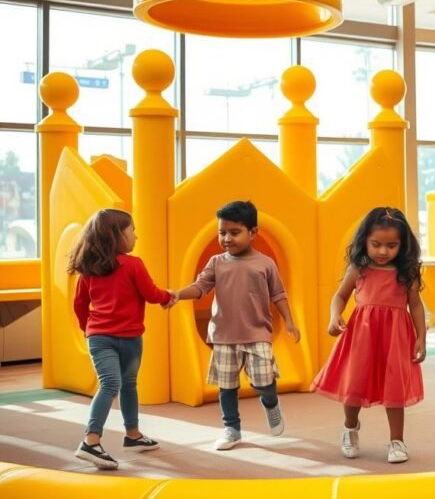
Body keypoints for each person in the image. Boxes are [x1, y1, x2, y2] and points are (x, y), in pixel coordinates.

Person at [174, 200, 300, 451]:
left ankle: (271, 403)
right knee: (227, 385)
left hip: (257, 333)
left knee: (263, 381)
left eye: (234, 232)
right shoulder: (216, 262)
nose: (227, 238)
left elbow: (279, 294)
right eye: (222, 232)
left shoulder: (265, 264)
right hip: (223, 334)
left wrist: (289, 321)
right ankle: (232, 429)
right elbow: (200, 287)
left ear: (253, 233)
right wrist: (178, 294)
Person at [312, 207, 426, 464]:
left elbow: (415, 305)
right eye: (376, 244)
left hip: (395, 336)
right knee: (354, 383)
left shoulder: (406, 272)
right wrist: (334, 316)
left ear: (403, 245)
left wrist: (421, 337)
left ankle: (397, 440)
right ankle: (350, 428)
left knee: (394, 387)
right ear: (365, 240)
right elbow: (340, 295)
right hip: (361, 335)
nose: (383, 251)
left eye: (391, 245)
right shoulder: (359, 268)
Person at [69, 208, 174, 469]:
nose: (136, 236)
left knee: (129, 384)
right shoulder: (132, 264)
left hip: (113, 337)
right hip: (113, 338)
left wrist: (87, 328)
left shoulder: (89, 270)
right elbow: (150, 293)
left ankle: (133, 435)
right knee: (111, 384)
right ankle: (90, 441)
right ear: (117, 235)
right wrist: (167, 296)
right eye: (132, 230)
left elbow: (79, 305)